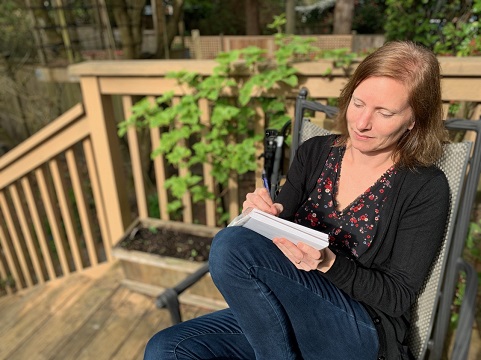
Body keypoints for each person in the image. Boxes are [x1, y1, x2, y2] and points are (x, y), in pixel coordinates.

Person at [144, 40, 450, 360]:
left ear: (414, 120)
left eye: (384, 112)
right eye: (358, 104)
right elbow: (267, 241)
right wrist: (257, 216)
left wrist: (328, 263)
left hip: (356, 328)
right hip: (285, 310)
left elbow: (396, 297)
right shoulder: (315, 153)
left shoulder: (425, 188)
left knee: (229, 246)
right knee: (167, 349)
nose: (361, 123)